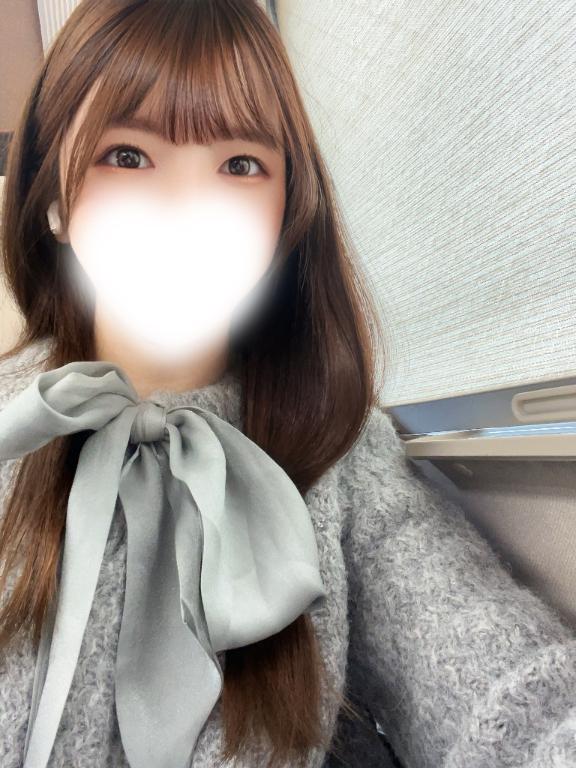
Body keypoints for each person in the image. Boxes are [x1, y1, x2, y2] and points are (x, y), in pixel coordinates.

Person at [1, 1, 576, 767]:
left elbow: (504, 687)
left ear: (286, 216)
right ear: (52, 195)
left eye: (240, 165)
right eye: (127, 155)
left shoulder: (340, 448)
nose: (187, 209)